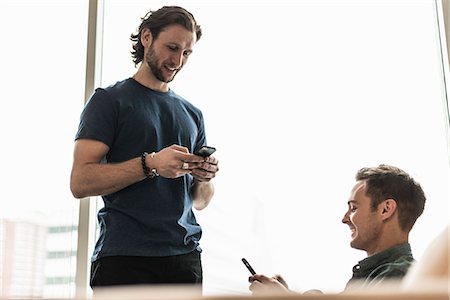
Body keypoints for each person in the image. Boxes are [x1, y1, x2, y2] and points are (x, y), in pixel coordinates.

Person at [70, 6, 219, 289]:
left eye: (186, 53)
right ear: (147, 37)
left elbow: (200, 201)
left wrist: (204, 177)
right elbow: (80, 182)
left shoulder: (193, 114)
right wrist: (149, 164)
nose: (177, 61)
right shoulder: (108, 101)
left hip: (185, 259)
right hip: (125, 258)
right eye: (172, 48)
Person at [248, 164, 426, 295]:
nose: (345, 218)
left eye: (354, 208)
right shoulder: (381, 274)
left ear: (385, 209)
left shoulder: (398, 275)